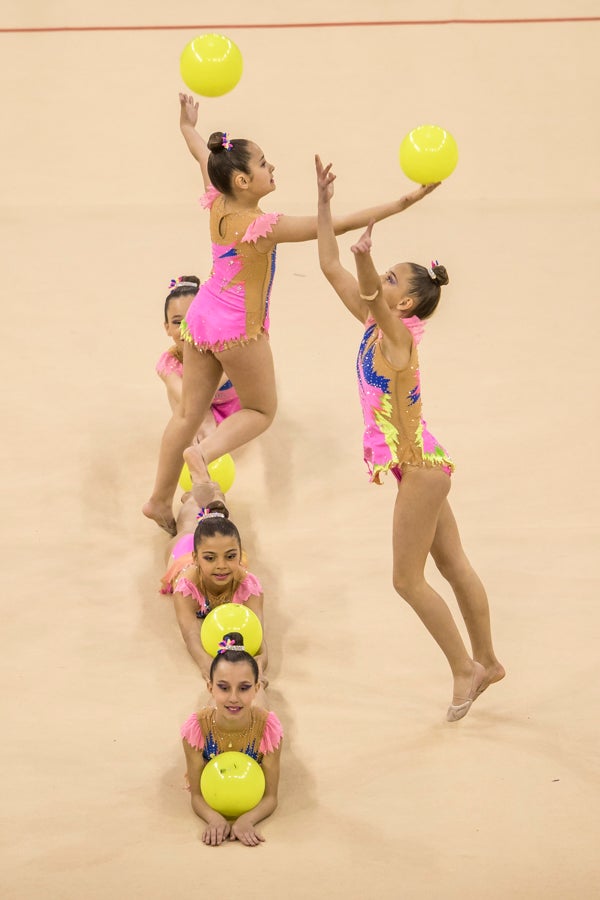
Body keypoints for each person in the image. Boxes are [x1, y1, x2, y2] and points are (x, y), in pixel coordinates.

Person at [142, 93, 445, 535]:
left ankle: (156, 499)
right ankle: (202, 455)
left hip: (201, 314)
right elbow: (337, 225)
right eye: (264, 164)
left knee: (189, 412)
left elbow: (198, 151)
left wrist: (188, 126)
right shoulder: (265, 227)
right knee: (262, 410)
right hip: (236, 329)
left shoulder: (218, 196)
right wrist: (404, 203)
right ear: (243, 181)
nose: (272, 168)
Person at [315, 156, 504, 722]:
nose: (380, 285)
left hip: (418, 467)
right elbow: (328, 264)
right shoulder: (377, 324)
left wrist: (368, 259)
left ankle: (463, 667)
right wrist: (324, 204)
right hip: (425, 461)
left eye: (392, 281)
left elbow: (365, 285)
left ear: (405, 305)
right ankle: (489, 660)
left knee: (406, 579)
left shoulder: (398, 339)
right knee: (453, 563)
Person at [161, 474, 267, 685]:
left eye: (230, 556)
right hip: (183, 550)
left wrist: (258, 670)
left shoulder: (248, 585)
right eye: (210, 559)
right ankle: (193, 496)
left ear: (239, 553)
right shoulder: (187, 588)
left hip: (215, 548)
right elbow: (191, 635)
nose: (221, 565)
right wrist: (207, 666)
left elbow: (260, 642)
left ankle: (216, 501)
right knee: (189, 525)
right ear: (197, 558)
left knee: (220, 526)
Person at [181, 633, 282, 846]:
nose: (234, 697)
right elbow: (197, 796)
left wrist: (247, 820)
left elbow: (271, 797)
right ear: (210, 686)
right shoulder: (196, 730)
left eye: (244, 688)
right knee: (216, 705)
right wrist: (213, 817)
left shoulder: (268, 730)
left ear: (253, 688)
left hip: (255, 714)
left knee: (261, 702)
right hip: (213, 715)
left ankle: (261, 679)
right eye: (223, 687)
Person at [157, 275, 241, 443]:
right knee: (175, 391)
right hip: (200, 411)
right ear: (167, 328)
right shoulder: (170, 362)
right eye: (177, 322)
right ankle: (191, 442)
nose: (186, 328)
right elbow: (189, 404)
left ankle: (206, 444)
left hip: (236, 411)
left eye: (193, 319)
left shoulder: (223, 348)